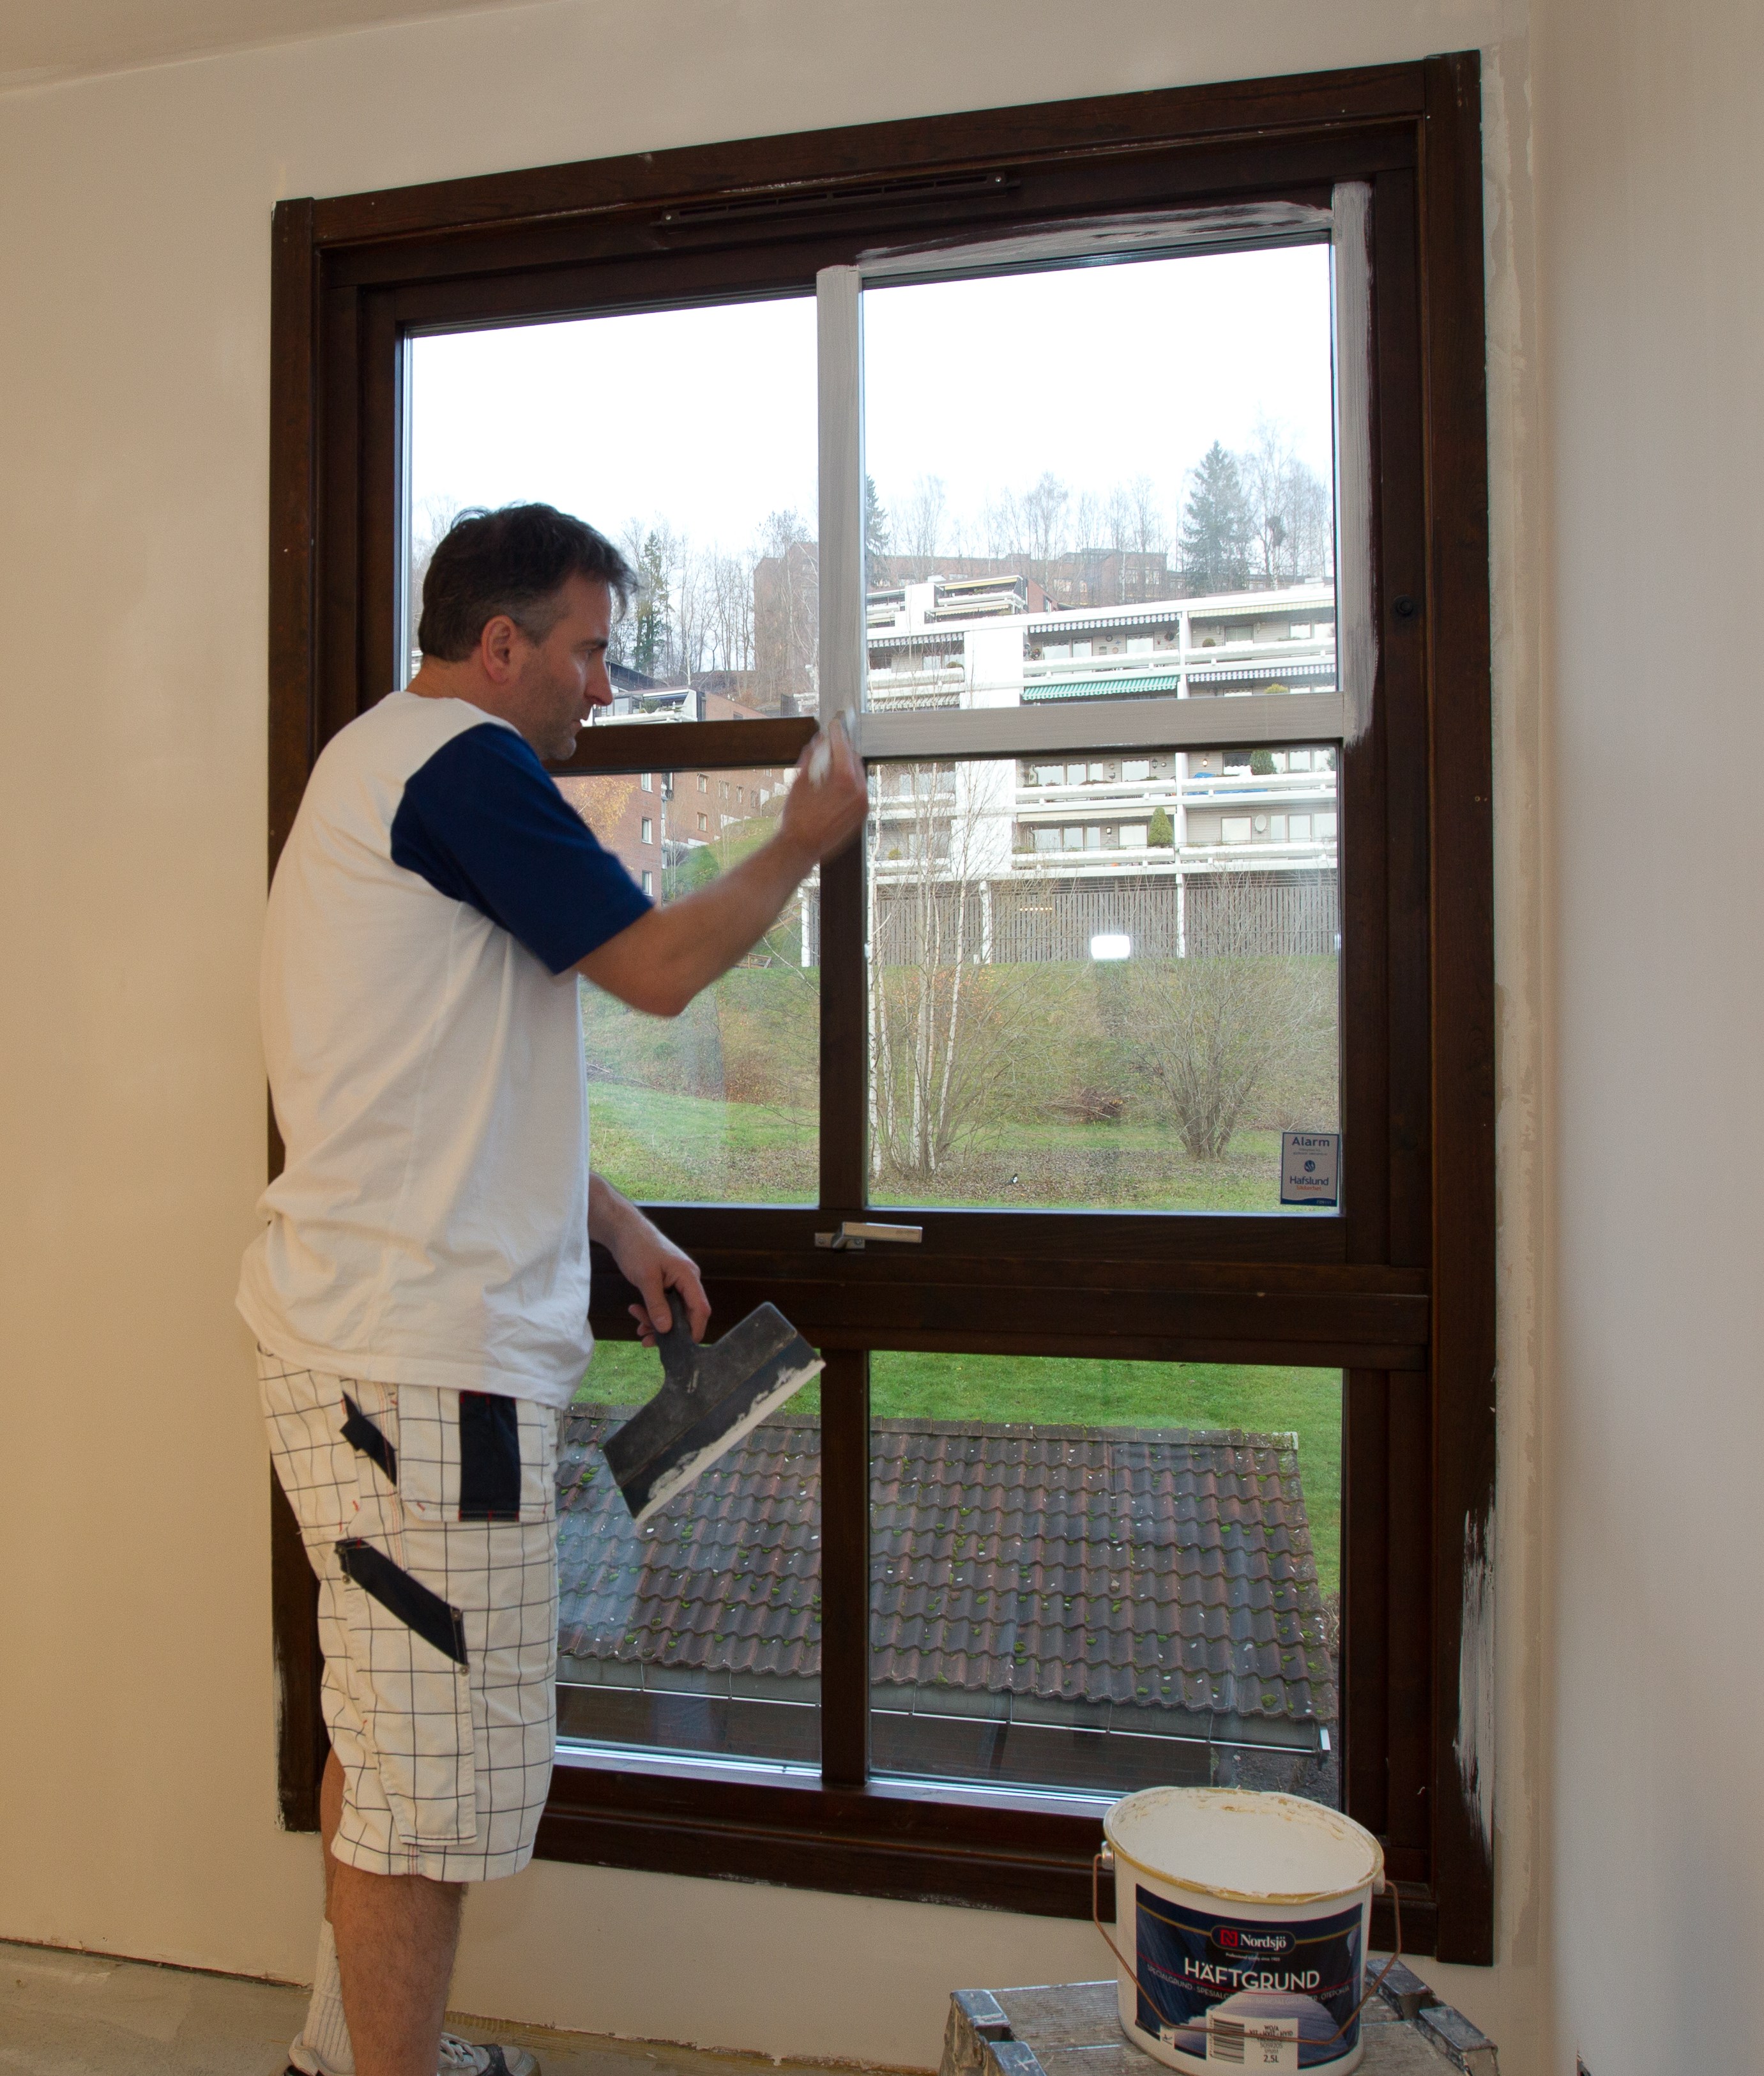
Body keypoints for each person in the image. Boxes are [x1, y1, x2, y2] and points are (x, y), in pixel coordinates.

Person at [238, 503, 868, 2076]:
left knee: (394, 1739)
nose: (603, 684)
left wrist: (613, 1222)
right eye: (588, 650)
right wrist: (797, 840)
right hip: (414, 1373)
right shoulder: (462, 765)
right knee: (429, 1784)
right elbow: (655, 968)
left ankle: (346, 2051)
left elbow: (433, 1073)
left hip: (388, 1349)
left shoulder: (383, 767)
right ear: (500, 642)